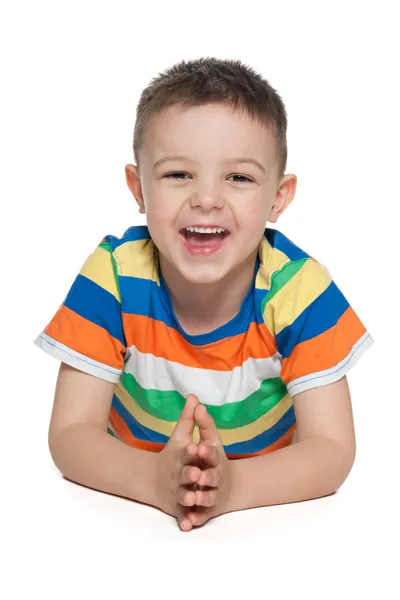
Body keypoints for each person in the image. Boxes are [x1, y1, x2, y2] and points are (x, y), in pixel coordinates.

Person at [33, 57, 374, 532]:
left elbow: (333, 449)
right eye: (178, 175)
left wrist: (234, 487)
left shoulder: (299, 290)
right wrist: (152, 479)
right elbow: (70, 435)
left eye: (239, 178)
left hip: (266, 515)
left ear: (278, 197)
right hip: (124, 511)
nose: (207, 199)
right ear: (138, 189)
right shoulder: (112, 276)